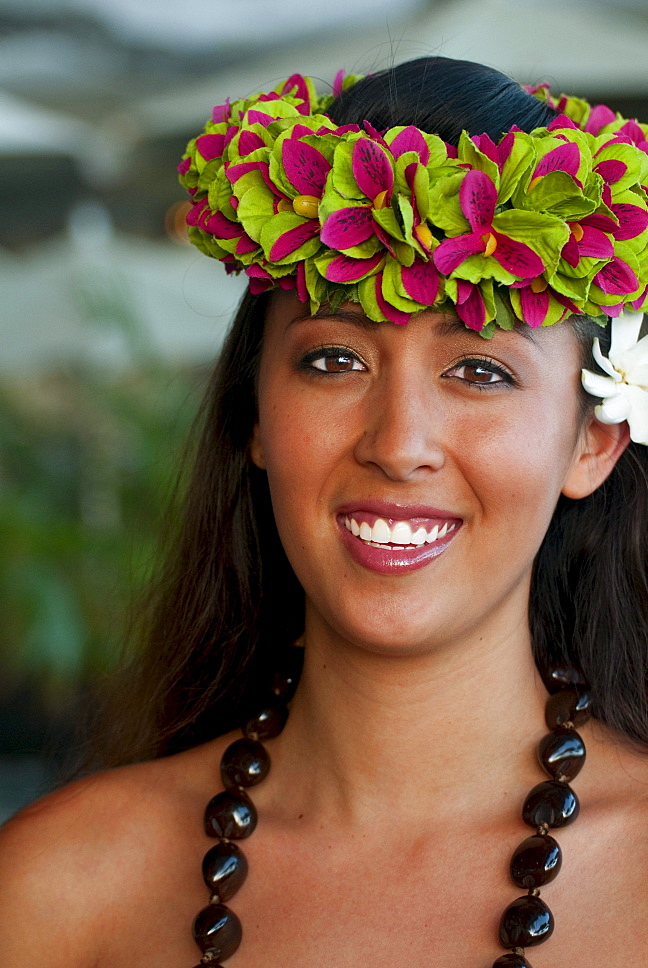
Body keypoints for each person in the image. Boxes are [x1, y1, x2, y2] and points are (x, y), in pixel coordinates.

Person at [1, 55, 648, 968]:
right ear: (256, 413)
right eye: (333, 360)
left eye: (480, 371)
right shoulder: (58, 892)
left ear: (593, 443)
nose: (398, 442)